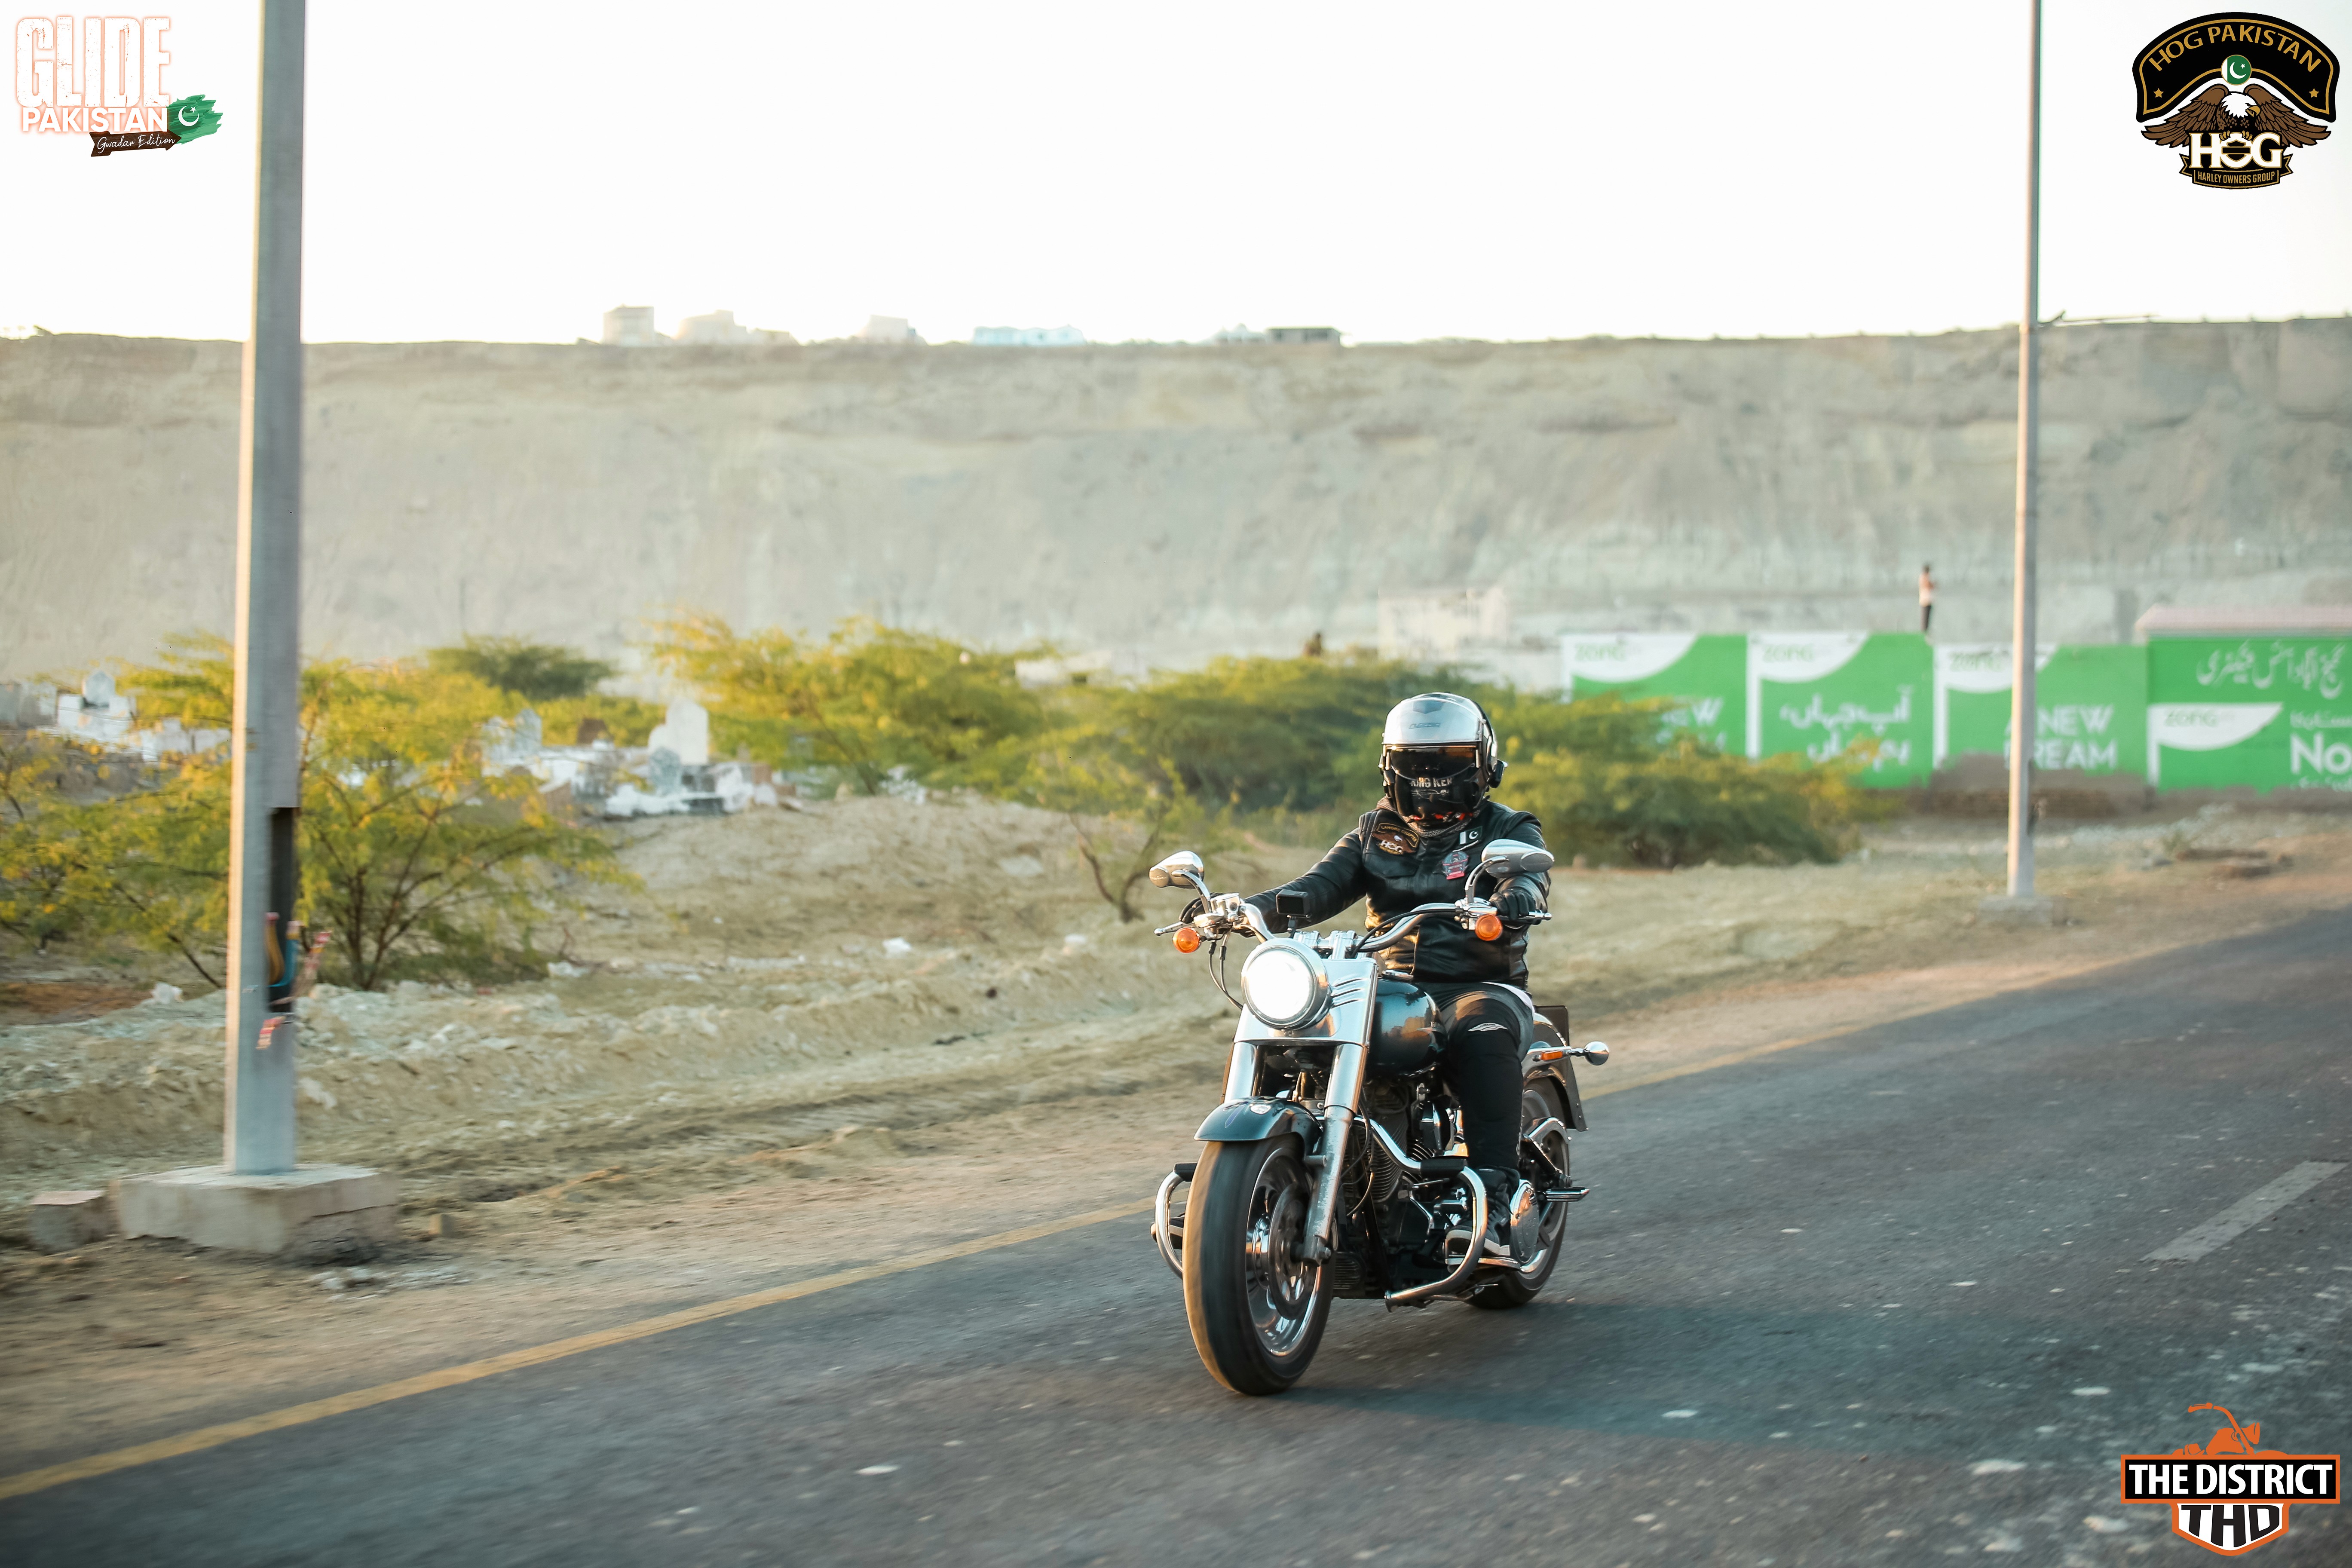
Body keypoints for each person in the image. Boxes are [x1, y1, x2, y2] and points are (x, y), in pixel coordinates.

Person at [1240, 692, 1549, 1250]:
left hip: (1477, 987)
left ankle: (1498, 1197)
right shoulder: (1372, 833)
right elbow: (1315, 889)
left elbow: (1529, 877)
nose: (1430, 775)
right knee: (1292, 1037)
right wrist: (1249, 910)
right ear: (1392, 767)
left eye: (1446, 760)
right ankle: (1245, 1187)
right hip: (1386, 989)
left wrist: (1518, 894)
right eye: (1416, 762)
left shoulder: (1509, 829)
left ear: (1482, 763)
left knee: (1483, 1037)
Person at [1918, 564, 1936, 635]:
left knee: (1928, 619)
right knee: (1925, 620)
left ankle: (1926, 633)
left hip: (1929, 600)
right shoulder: (1923, 577)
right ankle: (1924, 634)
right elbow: (1928, 585)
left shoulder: (1927, 577)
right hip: (1925, 601)